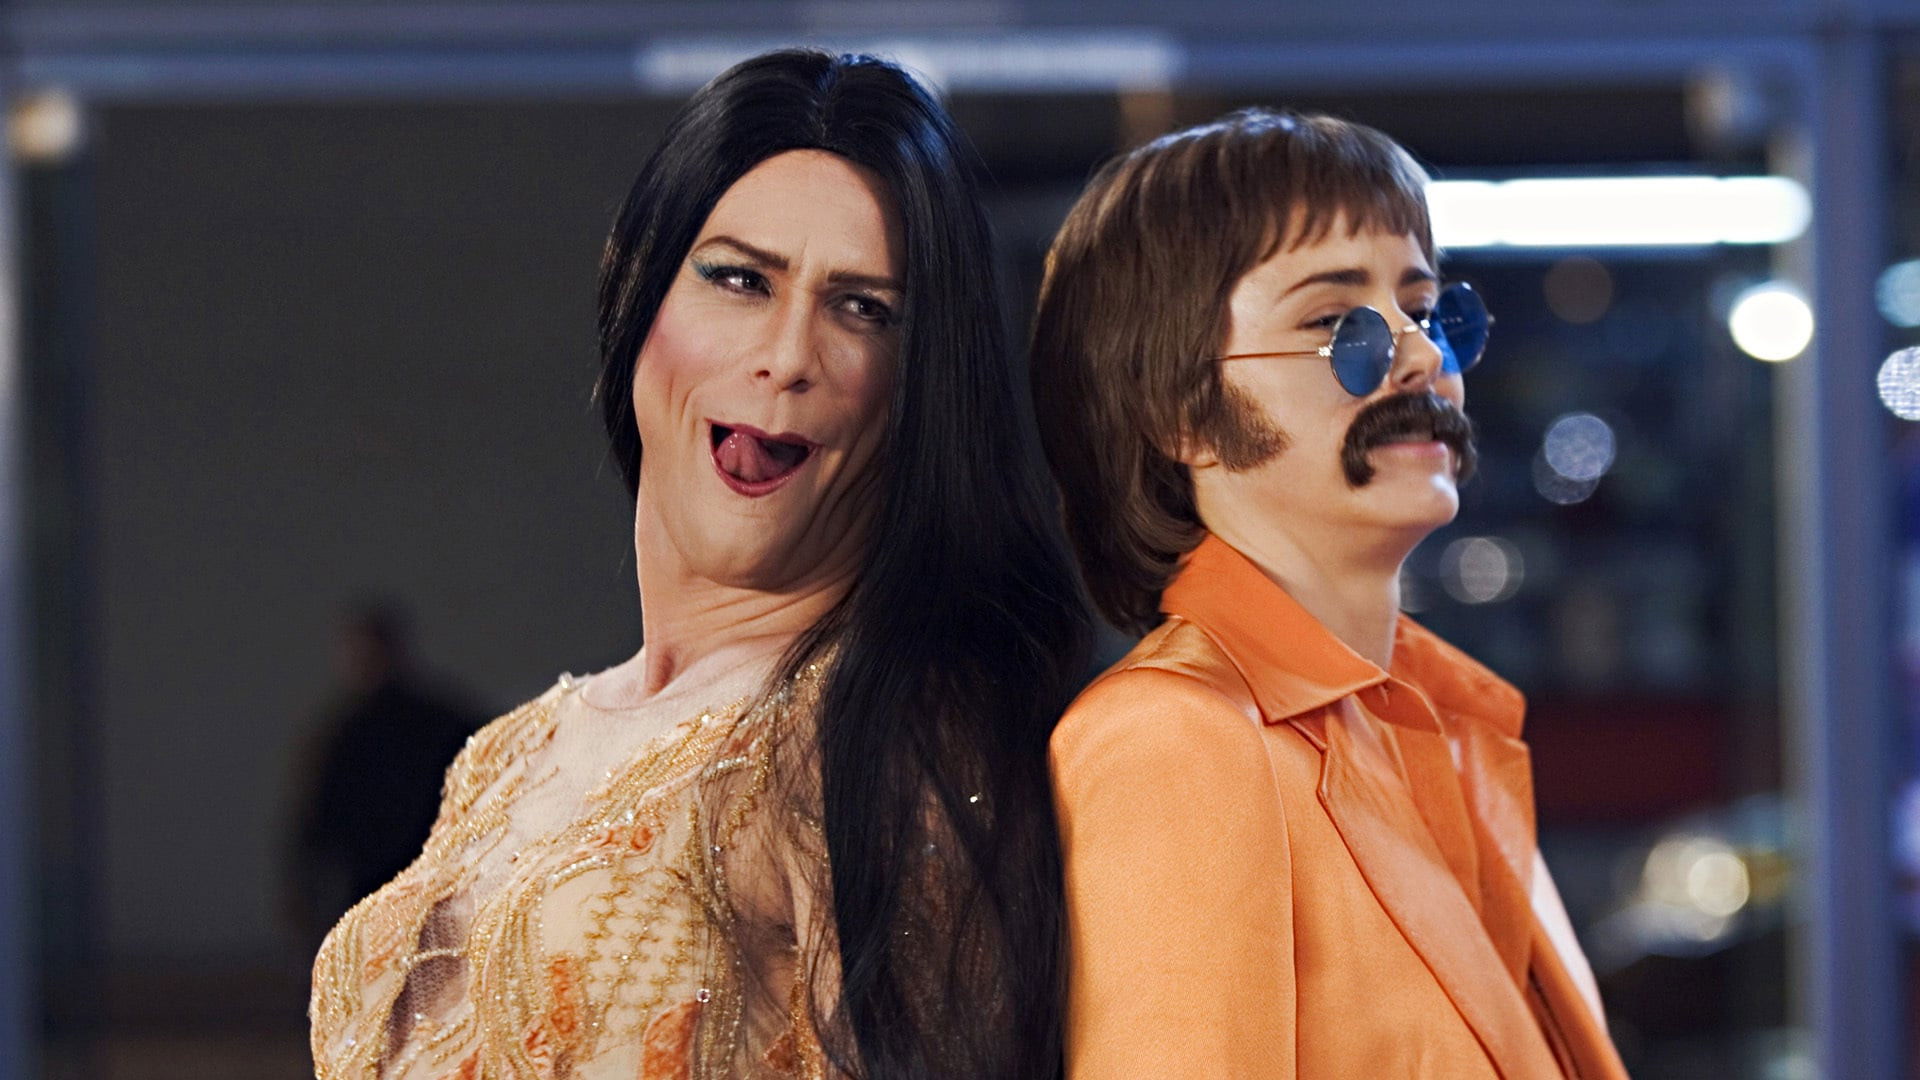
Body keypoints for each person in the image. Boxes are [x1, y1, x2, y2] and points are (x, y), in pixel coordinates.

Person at [310, 50, 1090, 1080]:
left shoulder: (891, 743)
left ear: (917, 389)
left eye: (863, 307)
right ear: (637, 292)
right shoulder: (504, 755)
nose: (789, 355)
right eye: (740, 279)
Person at [1029, 108, 1629, 1079]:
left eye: (1426, 310)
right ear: (1179, 411)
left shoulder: (1437, 716)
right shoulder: (1176, 740)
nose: (1422, 357)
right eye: (1334, 324)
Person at [286, 602, 483, 952]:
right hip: (383, 887)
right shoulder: (346, 733)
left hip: (428, 881)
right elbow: (317, 818)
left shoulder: (433, 723)